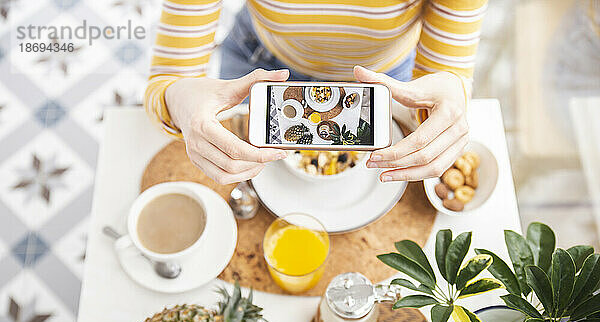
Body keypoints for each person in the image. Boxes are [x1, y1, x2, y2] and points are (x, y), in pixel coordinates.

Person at [144, 0, 487, 184]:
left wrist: (451, 92)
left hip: (387, 80)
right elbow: (167, 80)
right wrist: (181, 102)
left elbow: (444, 76)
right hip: (258, 62)